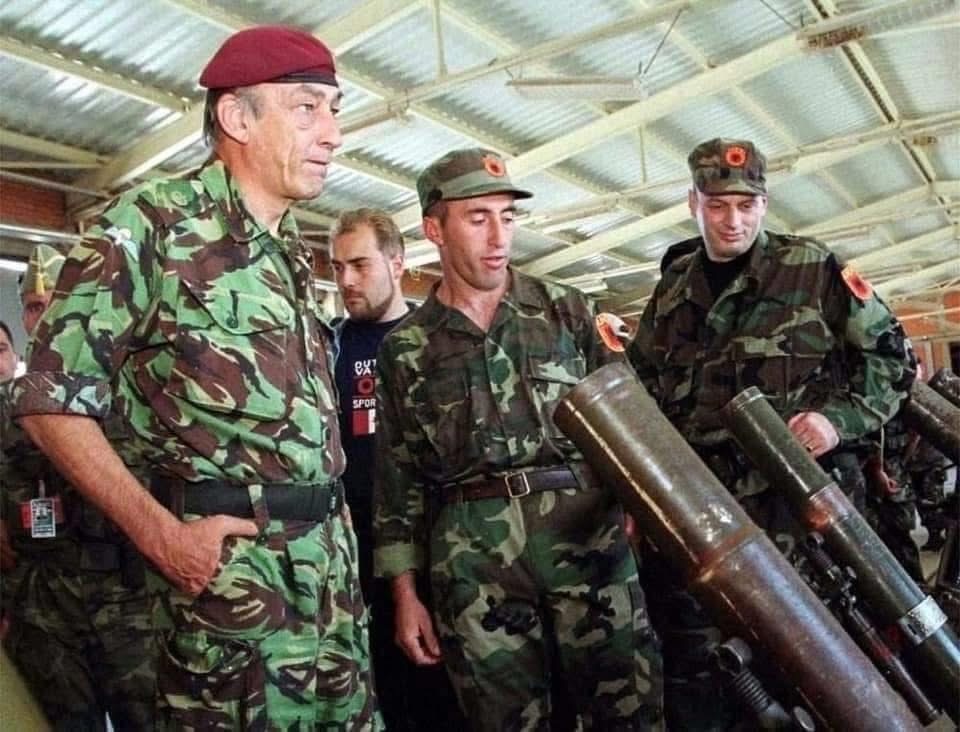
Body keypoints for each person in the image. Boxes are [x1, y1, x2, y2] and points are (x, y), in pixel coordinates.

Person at [12, 26, 379, 729]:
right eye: (307, 108)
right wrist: (160, 537)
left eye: (334, 110)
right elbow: (47, 398)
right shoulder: (150, 224)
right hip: (231, 598)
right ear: (237, 116)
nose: (333, 133)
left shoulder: (288, 251)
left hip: (328, 585)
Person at [628, 137, 915, 730]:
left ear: (765, 203)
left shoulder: (813, 269)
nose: (732, 221)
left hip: (798, 518)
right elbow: (642, 388)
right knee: (705, 673)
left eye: (747, 205)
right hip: (702, 516)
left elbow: (893, 359)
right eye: (717, 205)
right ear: (692, 203)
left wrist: (837, 421)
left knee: (819, 673)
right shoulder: (674, 287)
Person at [373, 148, 664, 731]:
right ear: (435, 229)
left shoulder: (567, 312)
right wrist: (405, 595)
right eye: (478, 218)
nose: (498, 236)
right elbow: (396, 480)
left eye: (508, 217)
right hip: (473, 562)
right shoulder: (407, 348)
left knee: (628, 712)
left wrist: (641, 513)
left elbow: (635, 422)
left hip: (586, 541)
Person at [1, 244, 155, 730]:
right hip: (43, 605)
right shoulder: (9, 405)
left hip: (126, 597)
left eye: (54, 303)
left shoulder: (129, 387)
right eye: (32, 307)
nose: (44, 316)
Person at [330, 208, 463, 731]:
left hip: (434, 549)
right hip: (357, 554)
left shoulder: (433, 341)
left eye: (360, 265)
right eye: (337, 267)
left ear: (397, 262)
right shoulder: (328, 349)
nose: (346, 280)